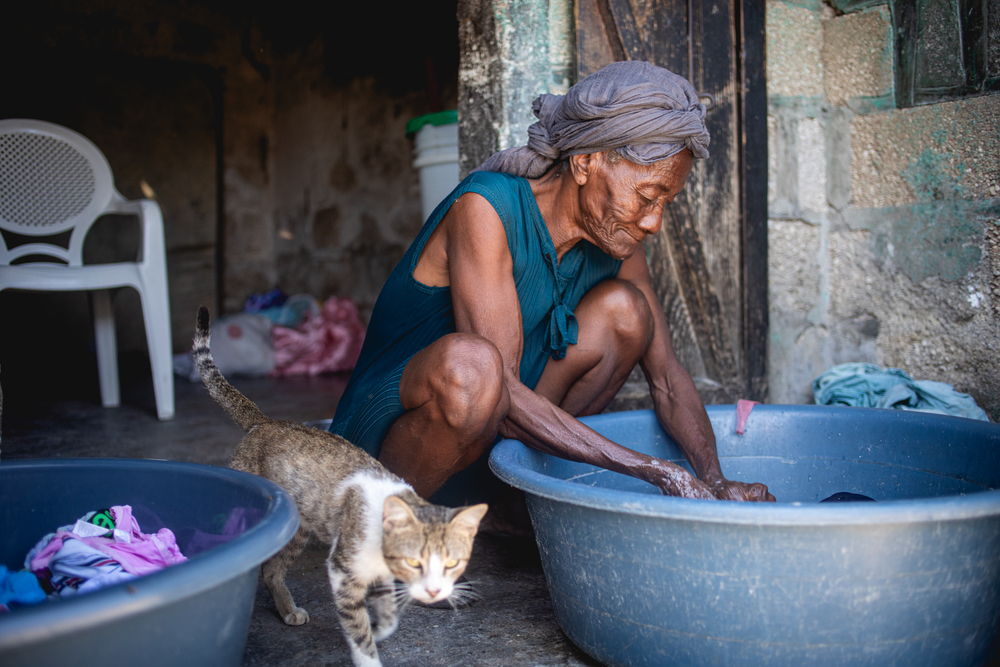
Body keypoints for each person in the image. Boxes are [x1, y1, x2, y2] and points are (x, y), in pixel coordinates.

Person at [330, 60, 774, 507]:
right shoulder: (486, 207)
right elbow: (497, 387)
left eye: (666, 203)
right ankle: (381, 521)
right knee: (473, 366)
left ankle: (509, 501)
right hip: (386, 451)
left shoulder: (618, 236)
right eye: (646, 196)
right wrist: (651, 469)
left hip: (486, 443)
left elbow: (667, 380)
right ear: (585, 163)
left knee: (627, 312)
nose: (654, 221)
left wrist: (715, 482)